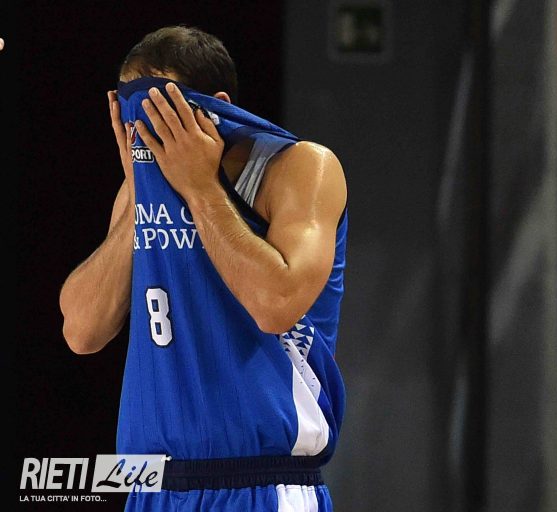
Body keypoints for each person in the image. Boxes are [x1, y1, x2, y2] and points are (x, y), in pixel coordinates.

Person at [59, 25, 348, 511]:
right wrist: (141, 195)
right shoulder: (138, 189)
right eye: (134, 116)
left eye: (160, 111)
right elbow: (81, 331)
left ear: (216, 107)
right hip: (151, 484)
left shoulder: (299, 167)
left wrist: (200, 188)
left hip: (260, 482)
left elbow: (276, 305)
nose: (145, 129)